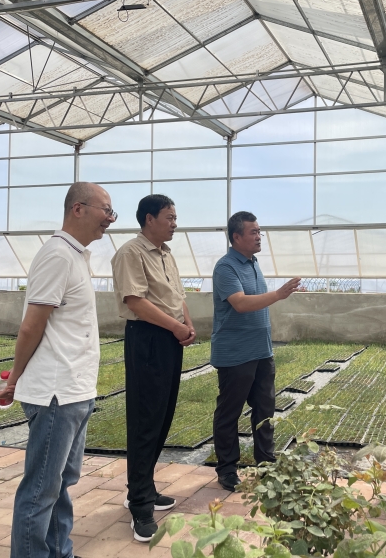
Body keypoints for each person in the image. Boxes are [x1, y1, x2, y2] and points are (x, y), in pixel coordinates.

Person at [0, 182, 116, 558]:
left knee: (61, 483)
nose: (110, 219)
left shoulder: (75, 256)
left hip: (74, 391)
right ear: (78, 209)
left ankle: (59, 552)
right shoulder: (58, 255)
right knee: (41, 490)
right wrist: (15, 379)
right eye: (106, 210)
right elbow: (32, 326)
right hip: (55, 393)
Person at [110, 194, 196, 542]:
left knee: (162, 415)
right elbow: (135, 301)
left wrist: (187, 325)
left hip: (169, 337)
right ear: (149, 218)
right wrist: (175, 327)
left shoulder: (166, 254)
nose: (175, 223)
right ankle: (140, 506)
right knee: (145, 419)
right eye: (169, 217)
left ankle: (143, 487)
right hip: (147, 337)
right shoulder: (131, 253)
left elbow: (178, 297)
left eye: (175, 217)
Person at [211, 211, 300, 491]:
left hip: (262, 352)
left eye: (260, 231)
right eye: (254, 232)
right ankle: (227, 469)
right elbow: (240, 303)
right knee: (230, 412)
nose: (259, 236)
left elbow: (255, 301)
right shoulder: (226, 267)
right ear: (237, 237)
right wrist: (278, 294)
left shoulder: (253, 263)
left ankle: (266, 464)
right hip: (235, 354)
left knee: (264, 410)